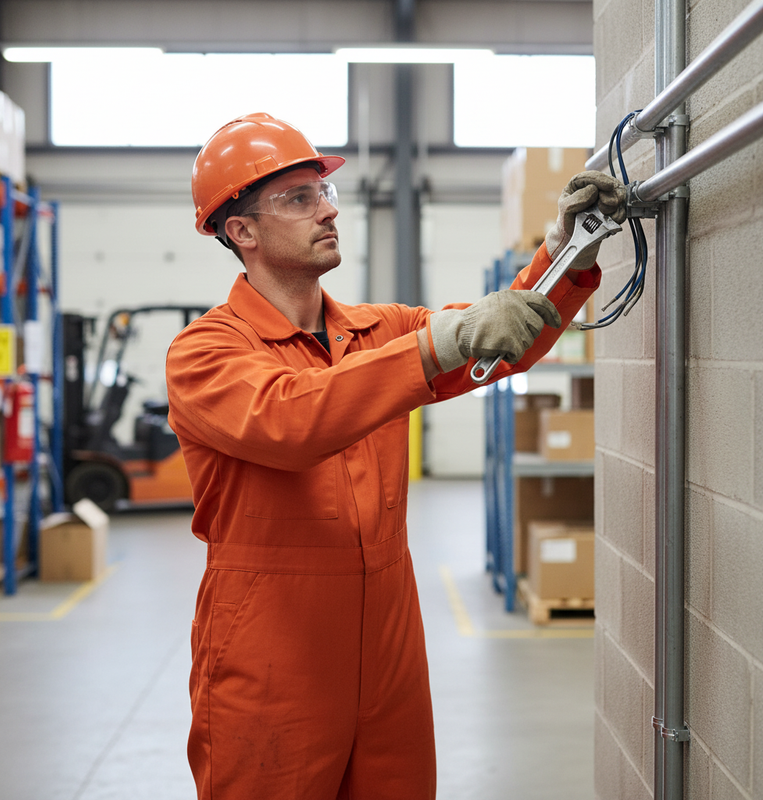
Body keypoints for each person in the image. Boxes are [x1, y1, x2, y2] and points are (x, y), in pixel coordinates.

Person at [166, 112, 626, 800]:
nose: (327, 211)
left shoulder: (375, 332)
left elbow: (503, 340)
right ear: (242, 231)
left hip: (388, 649)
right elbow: (292, 419)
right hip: (271, 654)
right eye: (299, 198)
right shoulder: (206, 352)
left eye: (325, 194)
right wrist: (434, 345)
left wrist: (567, 252)